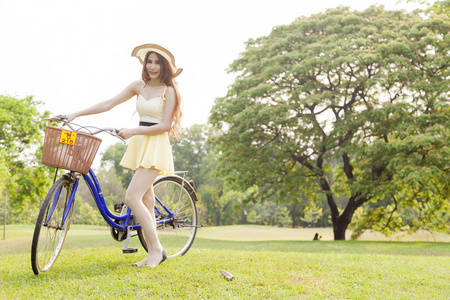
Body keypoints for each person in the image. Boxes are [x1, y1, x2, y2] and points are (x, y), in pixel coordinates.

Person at [63, 44, 183, 267]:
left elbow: (165, 125)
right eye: (149, 61)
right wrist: (76, 113)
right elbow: (109, 103)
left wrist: (133, 130)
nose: (153, 66)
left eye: (158, 62)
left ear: (165, 66)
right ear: (144, 63)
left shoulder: (170, 91)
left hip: (155, 144)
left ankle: (157, 250)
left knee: (131, 197)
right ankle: (153, 252)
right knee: (146, 199)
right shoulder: (139, 86)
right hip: (139, 144)